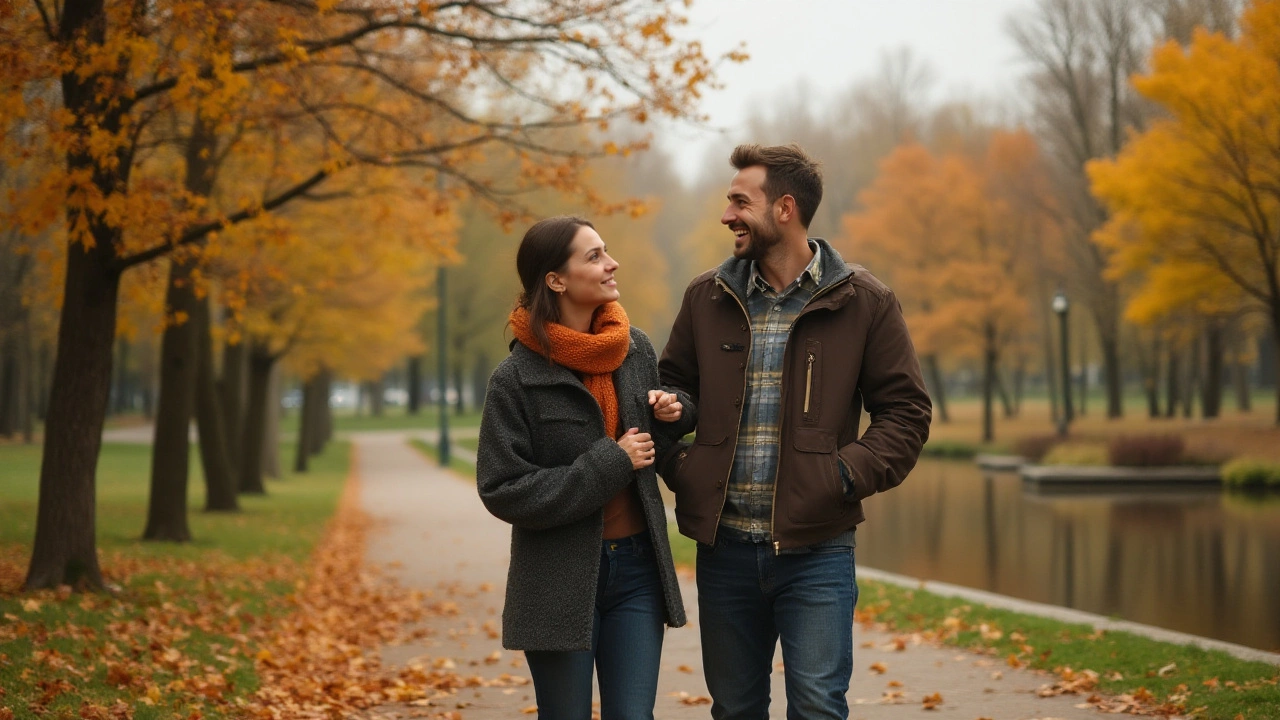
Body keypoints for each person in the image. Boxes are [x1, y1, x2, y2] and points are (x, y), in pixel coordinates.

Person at [657, 143, 932, 719]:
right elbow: (671, 390)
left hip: (818, 551)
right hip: (723, 549)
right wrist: (683, 462)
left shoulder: (865, 300)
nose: (727, 215)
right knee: (734, 710)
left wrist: (840, 476)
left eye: (739, 201)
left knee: (816, 707)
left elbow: (906, 412)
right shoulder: (706, 296)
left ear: (784, 208)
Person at [476, 216, 694, 720]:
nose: (611, 262)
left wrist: (677, 409)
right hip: (556, 576)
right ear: (556, 279)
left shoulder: (633, 347)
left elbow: (651, 441)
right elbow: (502, 488)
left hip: (639, 569)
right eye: (593, 256)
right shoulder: (515, 378)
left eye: (606, 251)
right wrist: (607, 463)